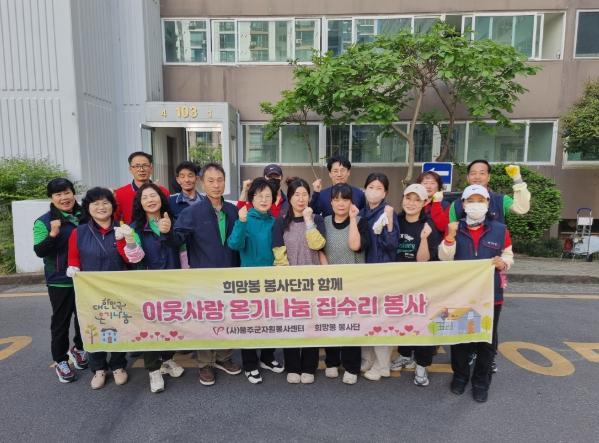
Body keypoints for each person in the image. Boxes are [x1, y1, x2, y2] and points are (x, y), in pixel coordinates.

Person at [438, 184, 514, 403]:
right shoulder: (454, 227)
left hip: (490, 295)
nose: (475, 205)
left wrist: (503, 262)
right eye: (470, 201)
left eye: (480, 200)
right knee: (460, 338)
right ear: (463, 204)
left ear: (488, 204)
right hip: (461, 294)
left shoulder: (500, 229)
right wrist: (450, 237)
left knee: (486, 341)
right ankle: (460, 377)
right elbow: (444, 258)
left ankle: (481, 381)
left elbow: (508, 255)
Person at [173, 162, 242, 386]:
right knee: (205, 318)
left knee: (227, 317)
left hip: (229, 274)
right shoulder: (192, 212)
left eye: (219, 180)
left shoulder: (232, 210)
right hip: (203, 276)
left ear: (225, 182)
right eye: (210, 181)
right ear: (202, 183)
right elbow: (177, 238)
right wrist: (166, 231)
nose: (216, 185)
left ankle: (224, 357)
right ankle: (205, 363)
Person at [118, 183, 185, 393]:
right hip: (147, 285)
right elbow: (135, 257)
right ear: (139, 203)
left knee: (169, 322)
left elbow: (182, 249)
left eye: (153, 195)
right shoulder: (135, 227)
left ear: (161, 198)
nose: (150, 200)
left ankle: (167, 359)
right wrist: (130, 240)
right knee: (149, 326)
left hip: (173, 282)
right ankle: (153, 370)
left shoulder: (173, 220)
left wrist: (168, 231)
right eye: (145, 197)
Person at [66, 187, 129, 390]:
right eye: (95, 203)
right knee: (93, 327)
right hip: (90, 292)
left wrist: (125, 240)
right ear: (88, 207)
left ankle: (118, 365)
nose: (101, 207)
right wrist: (73, 268)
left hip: (118, 289)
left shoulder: (122, 229)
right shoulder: (79, 232)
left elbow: (130, 259)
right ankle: (98, 368)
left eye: (105, 202)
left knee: (117, 325)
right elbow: (74, 257)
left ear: (112, 206)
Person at [227, 178, 284, 384]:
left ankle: (267, 357)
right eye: (259, 196)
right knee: (249, 323)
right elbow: (234, 244)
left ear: (274, 199)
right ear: (251, 198)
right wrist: (241, 222)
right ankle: (250, 365)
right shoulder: (245, 218)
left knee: (271, 320)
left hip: (271, 281)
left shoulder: (275, 221)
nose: (264, 200)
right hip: (249, 281)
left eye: (268, 196)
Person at [272, 177, 327, 384]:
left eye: (305, 194)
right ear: (289, 197)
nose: (301, 199)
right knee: (291, 324)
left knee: (311, 323)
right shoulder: (281, 220)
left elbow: (318, 245)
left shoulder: (317, 219)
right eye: (297, 195)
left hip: (313, 282)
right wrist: (288, 278)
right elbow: (278, 250)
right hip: (289, 283)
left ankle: (309, 367)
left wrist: (308, 220)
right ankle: (293, 366)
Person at [33, 178, 87, 383]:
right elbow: (40, 251)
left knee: (84, 318)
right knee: (61, 322)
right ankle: (61, 360)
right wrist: (53, 234)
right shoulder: (43, 221)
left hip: (85, 279)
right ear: (51, 198)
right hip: (59, 279)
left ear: (73, 193)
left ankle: (79, 349)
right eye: (58, 194)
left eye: (67, 192)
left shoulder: (85, 215)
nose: (64, 198)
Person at [389, 184, 441, 387]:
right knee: (404, 321)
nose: (411, 203)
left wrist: (424, 239)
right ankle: (404, 355)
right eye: (408, 198)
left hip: (422, 285)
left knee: (422, 324)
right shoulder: (396, 220)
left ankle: (421, 365)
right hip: (399, 283)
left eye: (417, 200)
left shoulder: (428, 226)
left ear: (424, 202)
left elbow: (423, 260)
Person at [321, 183, 370, 385]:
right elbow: (319, 248)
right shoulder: (323, 221)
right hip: (330, 282)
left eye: (345, 199)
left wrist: (352, 219)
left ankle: (351, 366)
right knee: (331, 322)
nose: (341, 203)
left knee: (350, 324)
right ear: (331, 202)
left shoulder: (360, 222)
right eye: (336, 199)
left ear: (352, 202)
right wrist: (327, 272)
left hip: (353, 283)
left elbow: (355, 245)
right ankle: (332, 361)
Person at [358, 172, 399, 381]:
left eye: (379, 188)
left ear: (385, 193)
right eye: (371, 187)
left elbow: (392, 245)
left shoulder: (388, 212)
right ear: (365, 189)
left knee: (382, 320)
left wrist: (389, 222)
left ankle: (383, 365)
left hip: (383, 273)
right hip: (364, 274)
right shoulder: (362, 213)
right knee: (366, 318)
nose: (374, 191)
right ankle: (368, 358)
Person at [449, 160, 530, 224]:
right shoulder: (456, 205)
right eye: (473, 173)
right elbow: (452, 231)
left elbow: (521, 209)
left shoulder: (501, 200)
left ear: (488, 177)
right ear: (467, 177)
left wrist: (517, 179)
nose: (477, 177)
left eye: (482, 173)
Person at [113, 151, 170, 224]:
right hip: (131, 231)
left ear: (151, 168)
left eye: (145, 165)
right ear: (130, 169)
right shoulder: (119, 194)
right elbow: (114, 220)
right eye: (137, 166)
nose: (141, 169)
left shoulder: (163, 191)